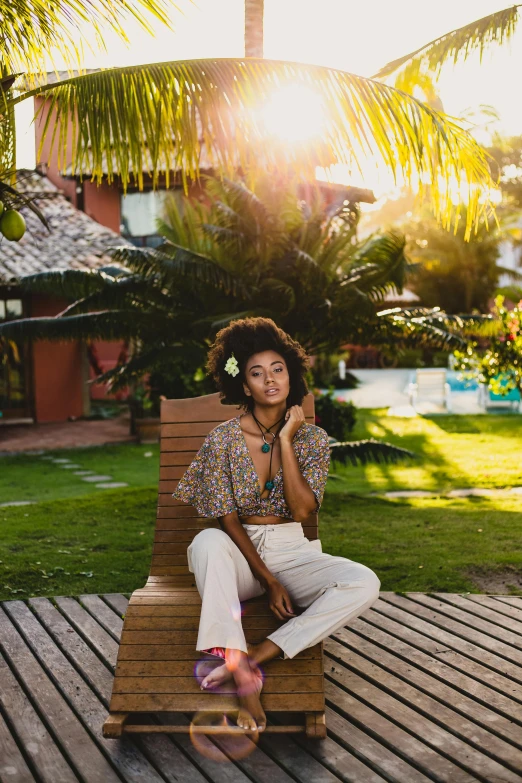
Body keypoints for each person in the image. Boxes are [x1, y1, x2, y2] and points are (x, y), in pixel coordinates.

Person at [173, 317, 380, 733]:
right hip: (237, 551)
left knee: (364, 582)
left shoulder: (313, 440)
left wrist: (286, 439)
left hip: (293, 550)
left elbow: (303, 512)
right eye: (256, 373)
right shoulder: (222, 440)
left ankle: (254, 657)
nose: (270, 379)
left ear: (291, 374)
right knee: (207, 541)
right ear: (244, 386)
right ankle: (245, 682)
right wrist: (267, 580)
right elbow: (227, 519)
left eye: (277, 369)